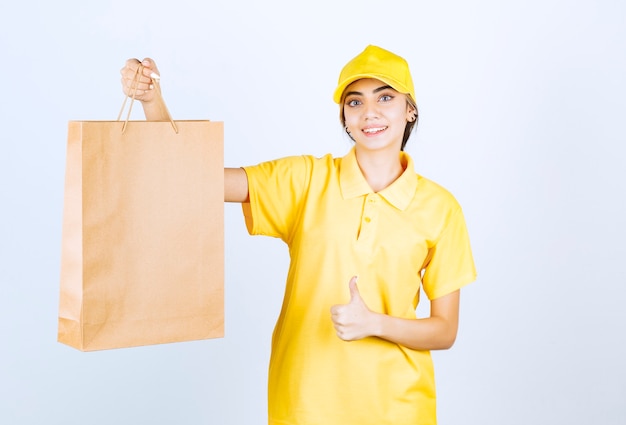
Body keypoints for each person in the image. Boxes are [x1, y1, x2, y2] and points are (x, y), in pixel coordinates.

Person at [120, 45, 477, 425]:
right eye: (354, 103)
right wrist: (152, 101)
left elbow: (444, 330)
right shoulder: (305, 181)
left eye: (385, 97)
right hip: (306, 403)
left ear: (410, 110)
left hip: (399, 407)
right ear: (345, 117)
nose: (369, 112)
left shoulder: (441, 207)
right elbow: (192, 176)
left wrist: (375, 323)